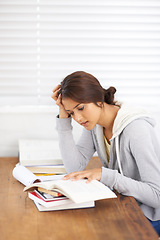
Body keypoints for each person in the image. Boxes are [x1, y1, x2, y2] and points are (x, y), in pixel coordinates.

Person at [52, 71, 160, 235]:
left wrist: (106, 175)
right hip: (125, 206)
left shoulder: (136, 130)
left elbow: (156, 196)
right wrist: (63, 117)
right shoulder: (95, 125)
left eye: (81, 108)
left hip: (151, 216)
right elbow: (73, 167)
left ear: (98, 98)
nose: (78, 118)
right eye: (72, 113)